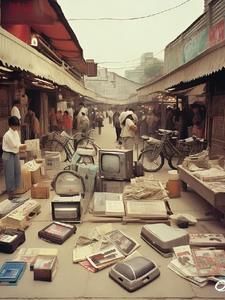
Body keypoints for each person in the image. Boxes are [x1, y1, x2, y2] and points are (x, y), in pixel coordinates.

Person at [2, 116, 27, 200]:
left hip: (15, 153)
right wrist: (23, 147)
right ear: (11, 125)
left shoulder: (16, 132)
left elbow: (18, 143)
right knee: (10, 174)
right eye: (15, 126)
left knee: (17, 172)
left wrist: (21, 149)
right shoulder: (7, 135)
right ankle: (10, 193)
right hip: (8, 154)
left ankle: (15, 191)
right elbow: (14, 145)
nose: (17, 127)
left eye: (17, 125)